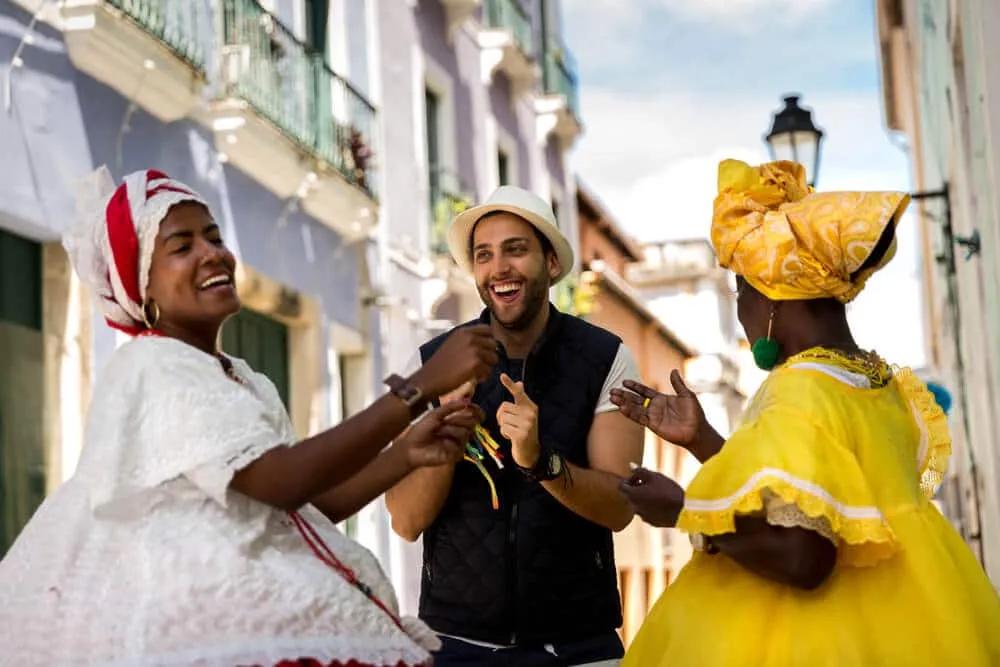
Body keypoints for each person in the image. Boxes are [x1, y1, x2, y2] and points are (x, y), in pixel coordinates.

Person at [0, 167, 499, 666]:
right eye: (182, 246)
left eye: (213, 237)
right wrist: (419, 389)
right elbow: (279, 481)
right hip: (191, 627)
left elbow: (302, 504)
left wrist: (406, 453)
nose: (212, 253)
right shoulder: (152, 364)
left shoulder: (241, 377)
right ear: (142, 288)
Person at [610, 159, 1000, 666]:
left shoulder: (798, 390)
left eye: (741, 291)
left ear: (771, 302)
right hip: (919, 621)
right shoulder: (875, 382)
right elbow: (810, 500)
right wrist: (704, 441)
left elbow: (805, 557)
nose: (741, 311)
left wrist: (684, 511)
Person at [386, 185, 644, 666]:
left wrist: (540, 461)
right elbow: (404, 520)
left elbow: (620, 507)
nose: (498, 268)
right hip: (456, 645)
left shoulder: (607, 358)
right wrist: (447, 428)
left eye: (515, 249)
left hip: (577, 645)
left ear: (550, 263)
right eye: (484, 255)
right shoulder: (431, 363)